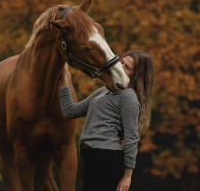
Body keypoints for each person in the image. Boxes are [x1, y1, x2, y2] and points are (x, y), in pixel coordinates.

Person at [59, 50, 154, 191]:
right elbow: (70, 111)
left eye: (127, 67)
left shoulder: (129, 97)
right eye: (122, 62)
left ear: (136, 76)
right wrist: (64, 78)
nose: (121, 67)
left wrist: (127, 176)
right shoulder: (105, 90)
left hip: (107, 158)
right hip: (91, 156)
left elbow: (131, 138)